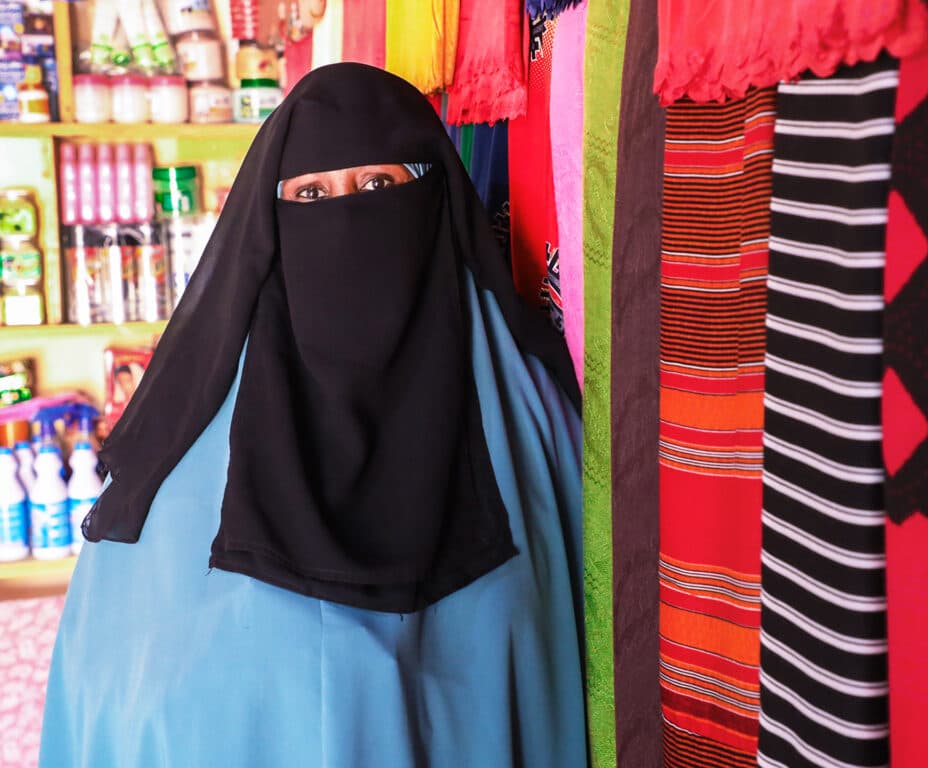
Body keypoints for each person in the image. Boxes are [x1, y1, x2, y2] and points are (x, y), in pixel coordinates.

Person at [39, 64, 586, 767]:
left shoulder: (525, 413)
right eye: (312, 194)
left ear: (435, 197)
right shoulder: (182, 459)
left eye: (379, 186)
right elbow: (115, 693)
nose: (346, 217)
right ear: (268, 223)